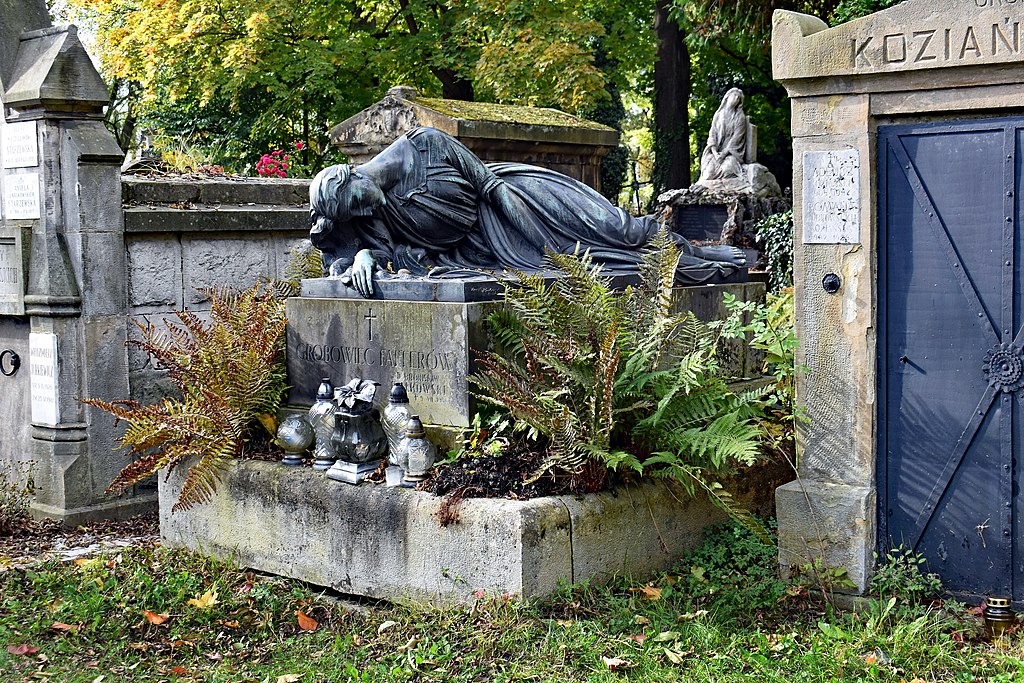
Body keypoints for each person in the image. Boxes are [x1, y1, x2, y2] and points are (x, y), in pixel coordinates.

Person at [310, 126, 745, 297]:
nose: (361, 213)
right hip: (483, 247)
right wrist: (362, 258)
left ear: (353, 174)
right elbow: (345, 256)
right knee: (600, 260)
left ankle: (701, 254)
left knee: (616, 227)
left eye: (354, 203)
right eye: (352, 214)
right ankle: (690, 262)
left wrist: (545, 246)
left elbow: (490, 188)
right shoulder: (365, 212)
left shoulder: (424, 145)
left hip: (517, 199)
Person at [698, 88, 749, 183]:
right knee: (708, 173)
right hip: (716, 152)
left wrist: (724, 154)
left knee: (728, 169)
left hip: (730, 153)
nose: (735, 99)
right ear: (727, 97)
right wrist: (715, 153)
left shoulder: (740, 117)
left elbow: (736, 138)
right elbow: (712, 134)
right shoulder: (718, 115)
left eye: (738, 98)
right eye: (734, 96)